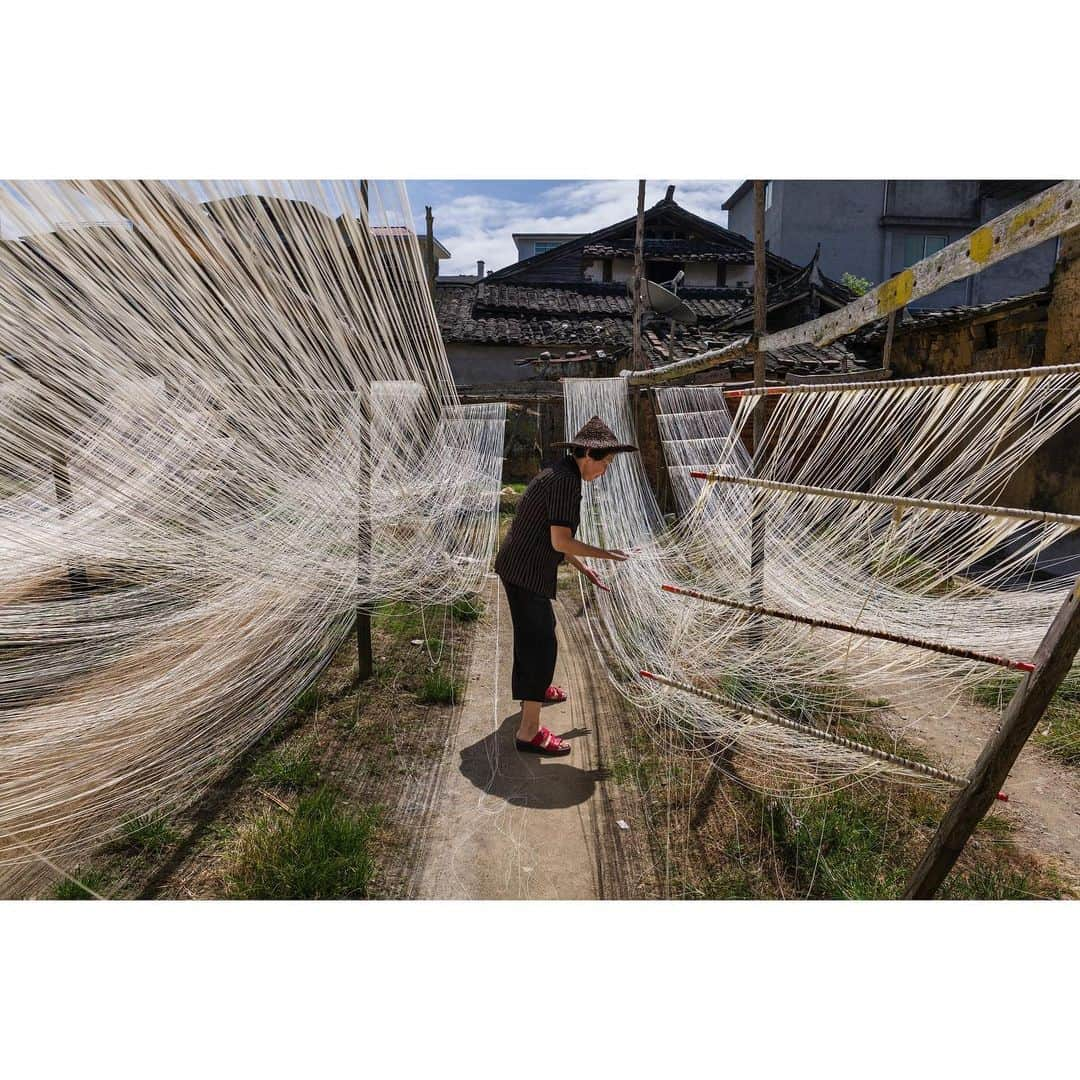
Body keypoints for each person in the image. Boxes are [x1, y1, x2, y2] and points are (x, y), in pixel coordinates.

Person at [493, 415, 638, 755]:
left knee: (534, 636)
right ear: (587, 453)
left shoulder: (561, 474)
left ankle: (536, 689)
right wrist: (607, 555)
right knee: (540, 645)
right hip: (526, 570)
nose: (605, 471)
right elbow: (561, 541)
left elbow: (555, 536)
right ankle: (528, 732)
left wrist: (585, 568)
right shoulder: (565, 483)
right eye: (605, 463)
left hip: (521, 566)